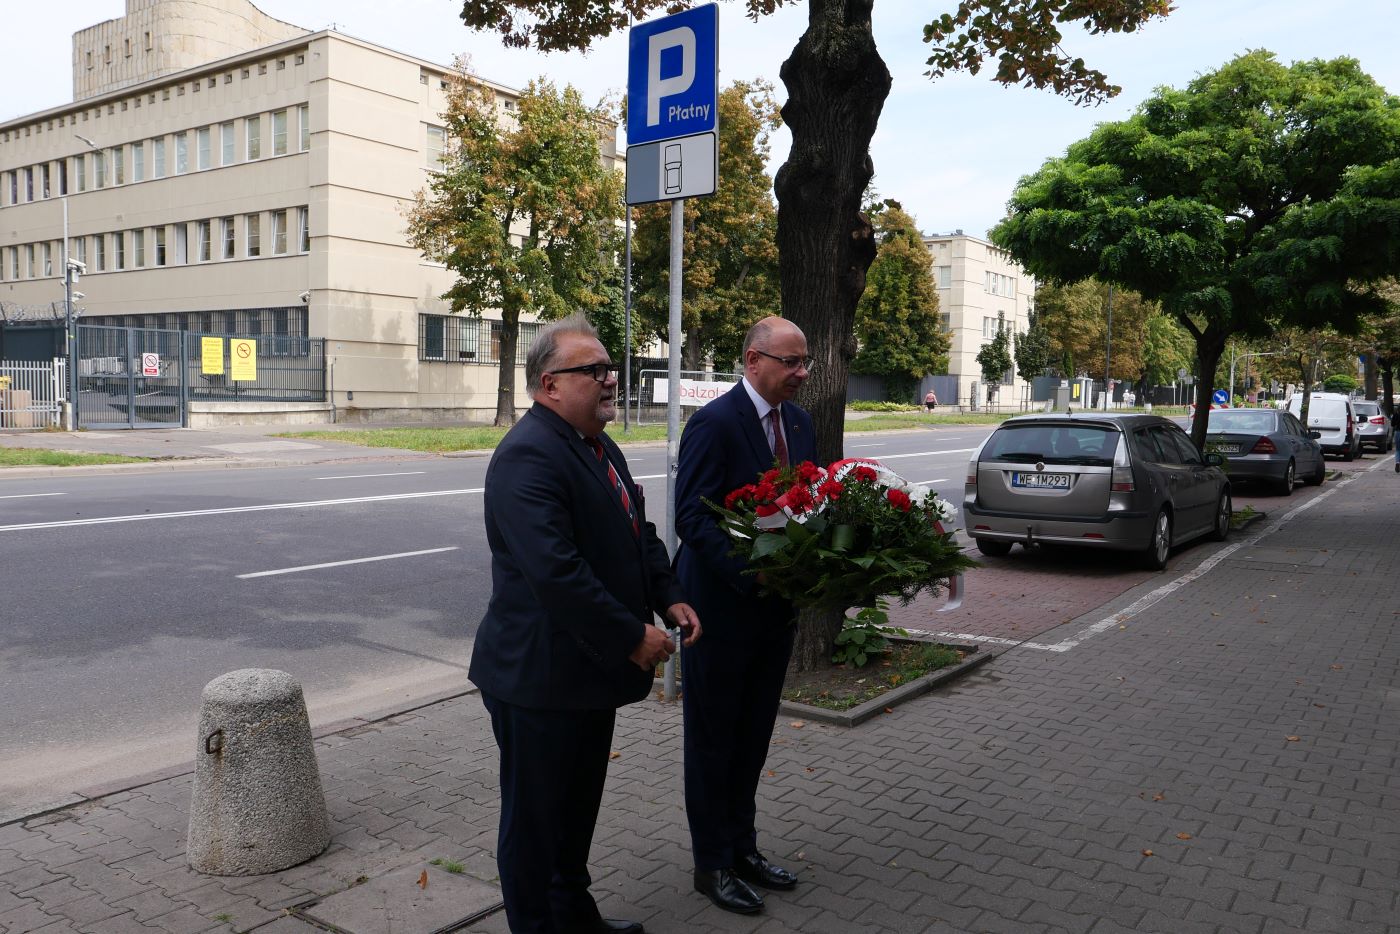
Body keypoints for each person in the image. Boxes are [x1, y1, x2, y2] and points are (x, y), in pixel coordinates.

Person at [470, 313, 701, 934]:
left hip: (586, 672)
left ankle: (577, 919)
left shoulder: (597, 444)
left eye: (610, 368)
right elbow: (556, 573)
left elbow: (636, 533)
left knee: (573, 817)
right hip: (539, 680)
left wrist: (669, 595)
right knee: (535, 827)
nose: (610, 379)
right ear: (549, 384)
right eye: (593, 370)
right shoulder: (527, 456)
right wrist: (631, 636)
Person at [674, 316, 817, 915]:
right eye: (791, 362)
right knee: (714, 742)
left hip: (773, 614)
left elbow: (808, 505)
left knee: (753, 737)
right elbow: (691, 516)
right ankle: (712, 865)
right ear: (754, 360)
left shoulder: (800, 424)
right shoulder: (713, 423)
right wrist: (750, 571)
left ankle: (743, 848)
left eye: (805, 361)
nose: (801, 373)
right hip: (719, 612)